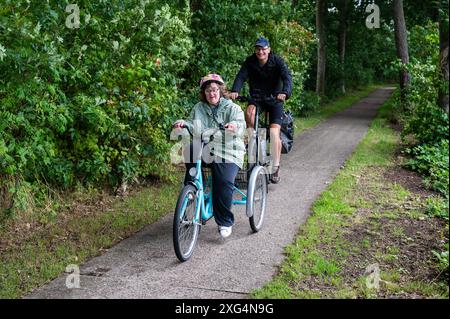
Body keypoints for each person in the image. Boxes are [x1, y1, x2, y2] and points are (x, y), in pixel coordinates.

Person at [173, 74, 246, 238]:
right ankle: (193, 189)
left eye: (214, 90)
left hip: (229, 150)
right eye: (207, 91)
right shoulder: (199, 107)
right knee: (191, 150)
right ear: (204, 93)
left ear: (220, 90)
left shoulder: (231, 108)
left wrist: (234, 126)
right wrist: (183, 123)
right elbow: (193, 124)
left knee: (223, 181)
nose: (211, 94)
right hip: (207, 147)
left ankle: (225, 221)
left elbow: (240, 124)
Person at [229, 36, 293, 184]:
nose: (260, 52)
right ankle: (257, 138)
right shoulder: (250, 61)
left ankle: (275, 166)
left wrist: (285, 92)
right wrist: (235, 90)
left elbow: (287, 77)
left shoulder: (277, 61)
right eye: (258, 49)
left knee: (274, 131)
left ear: (268, 49)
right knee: (249, 113)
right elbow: (241, 76)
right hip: (257, 98)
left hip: (275, 99)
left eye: (263, 49)